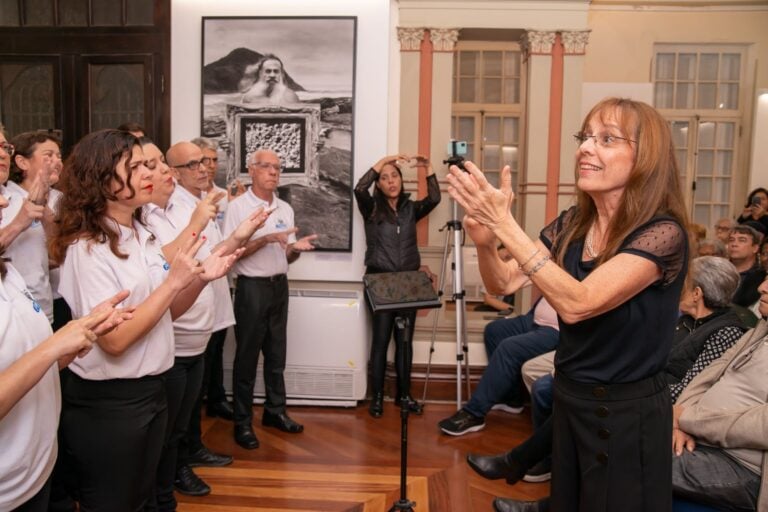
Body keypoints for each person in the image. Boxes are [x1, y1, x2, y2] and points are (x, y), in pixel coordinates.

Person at [447, 97, 689, 512]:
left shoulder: (662, 233)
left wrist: (506, 224)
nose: (585, 148)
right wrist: (487, 242)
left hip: (626, 416)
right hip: (571, 400)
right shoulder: (571, 224)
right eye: (584, 137)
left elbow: (580, 303)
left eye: (606, 139)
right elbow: (503, 282)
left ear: (646, 157)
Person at [50, 129, 239, 510]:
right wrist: (172, 283)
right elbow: (115, 341)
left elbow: (166, 313)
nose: (148, 172)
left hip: (151, 389)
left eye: (146, 164)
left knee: (142, 498)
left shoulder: (141, 234)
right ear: (102, 178)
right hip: (111, 403)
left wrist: (200, 280)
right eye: (134, 166)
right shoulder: (89, 248)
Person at [467, 255, 748, 497]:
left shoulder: (725, 331)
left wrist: (632, 384)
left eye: (685, 283)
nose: (679, 287)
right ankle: (543, 464)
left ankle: (524, 463)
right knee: (565, 391)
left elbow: (694, 386)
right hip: (642, 385)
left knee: (581, 400)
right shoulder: (683, 320)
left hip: (658, 400)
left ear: (697, 293)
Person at [223, 148, 317, 449]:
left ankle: (275, 412)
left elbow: (285, 256)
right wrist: (265, 239)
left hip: (279, 287)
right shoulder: (238, 208)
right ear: (252, 170)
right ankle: (242, 422)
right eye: (266, 167)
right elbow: (230, 252)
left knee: (277, 356)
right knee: (247, 359)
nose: (274, 172)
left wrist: (294, 249)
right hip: (251, 288)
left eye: (277, 168)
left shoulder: (284, 209)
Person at [671, 275, 768, 511]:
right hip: (700, 439)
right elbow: (704, 378)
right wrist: (677, 423)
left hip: (743, 467)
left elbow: (763, 425)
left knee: (628, 456)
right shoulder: (761, 330)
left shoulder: (729, 328)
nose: (761, 287)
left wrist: (688, 419)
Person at [354, 154, 441, 418]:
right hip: (380, 280)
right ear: (378, 185)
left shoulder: (410, 209)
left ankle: (404, 396)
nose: (390, 181)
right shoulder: (371, 208)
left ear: (402, 180)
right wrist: (383, 160)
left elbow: (435, 199)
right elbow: (359, 188)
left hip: (409, 283)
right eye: (384, 177)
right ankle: (377, 397)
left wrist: (428, 167)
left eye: (395, 176)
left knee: (405, 342)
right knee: (380, 342)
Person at [438, 297, 559, 435]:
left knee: (509, 348)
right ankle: (511, 399)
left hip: (558, 330)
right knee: (494, 330)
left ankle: (473, 413)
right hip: (535, 320)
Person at [1, 131, 61, 324]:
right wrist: (19, 223)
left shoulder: (23, 199)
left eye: (4, 147)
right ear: (22, 162)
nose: (2, 154)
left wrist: (43, 209)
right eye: (48, 155)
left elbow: (58, 252)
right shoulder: (13, 198)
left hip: (40, 308)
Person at [728, 224, 765, 310]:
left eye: (742, 240)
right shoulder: (719, 272)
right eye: (731, 240)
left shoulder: (762, 277)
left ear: (755, 248)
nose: (734, 244)